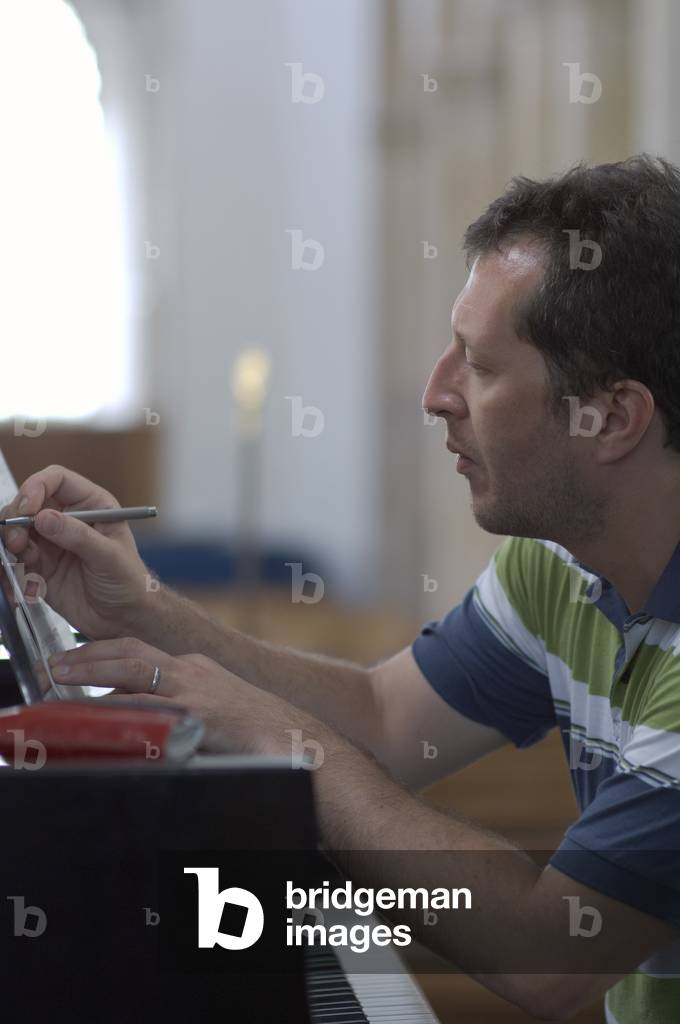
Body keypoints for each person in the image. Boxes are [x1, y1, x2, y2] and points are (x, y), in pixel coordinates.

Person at [3, 153, 680, 1022]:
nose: (436, 395)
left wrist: (289, 745)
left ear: (612, 418)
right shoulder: (563, 563)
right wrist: (141, 608)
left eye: (478, 365)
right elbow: (385, 719)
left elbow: (550, 958)